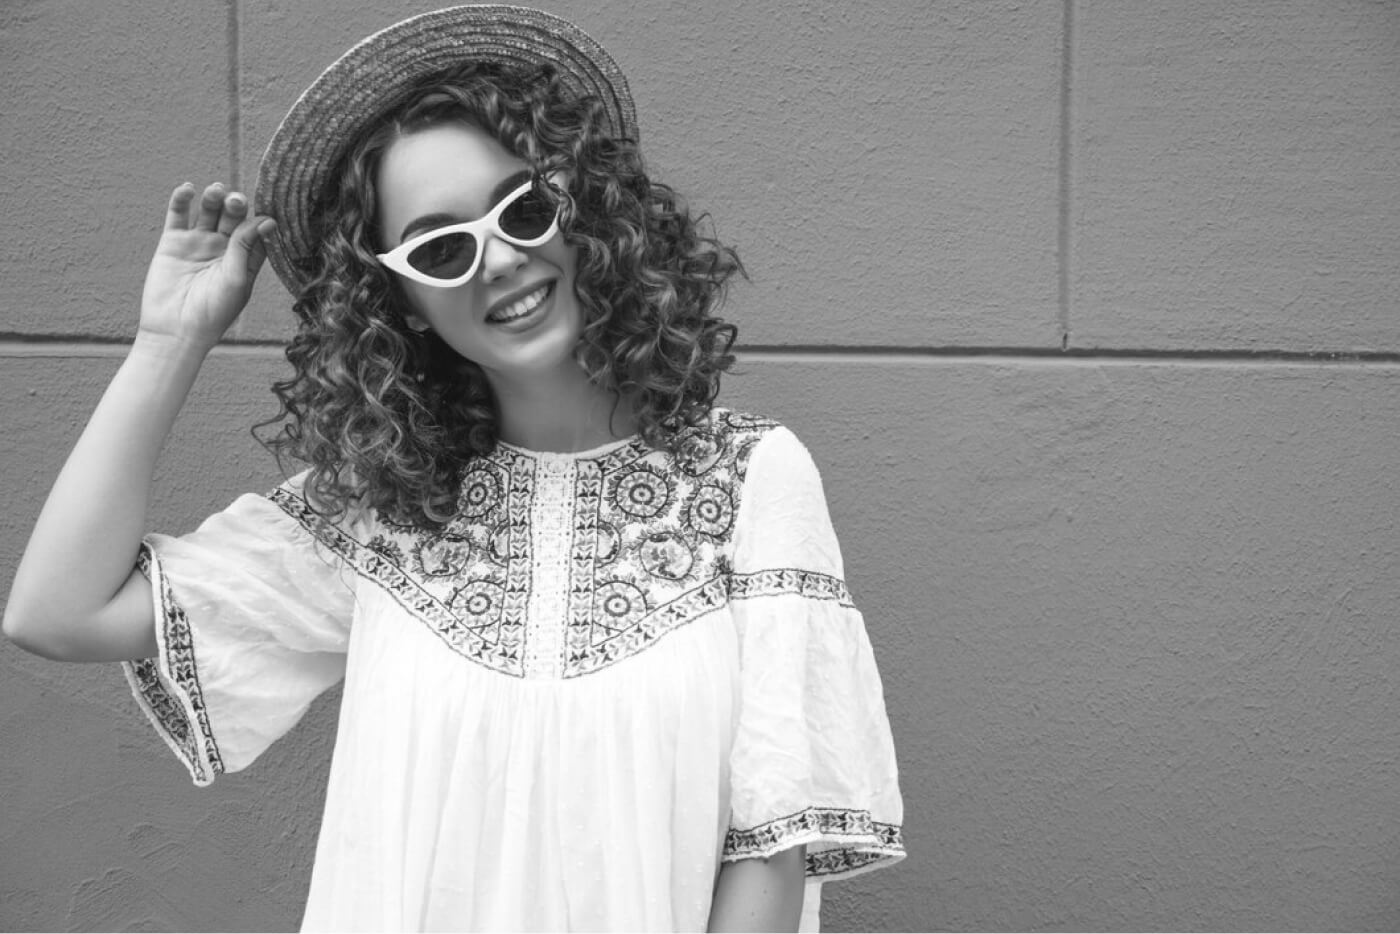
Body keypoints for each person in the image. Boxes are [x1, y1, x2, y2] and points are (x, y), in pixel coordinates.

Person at [3, 5, 904, 931]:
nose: (501, 258)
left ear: (586, 208)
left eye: (525, 208)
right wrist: (169, 341)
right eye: (440, 248)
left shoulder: (750, 477)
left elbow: (773, 838)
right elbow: (56, 614)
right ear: (399, 299)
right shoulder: (380, 508)